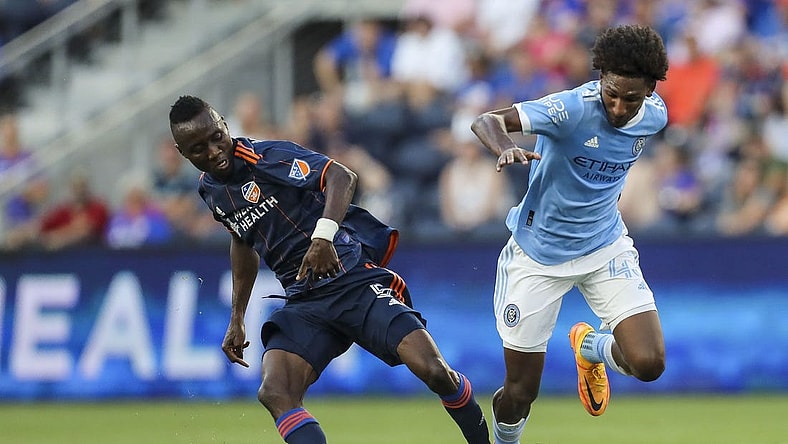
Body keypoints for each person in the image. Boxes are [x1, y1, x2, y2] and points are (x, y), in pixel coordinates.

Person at [167, 95, 490, 444]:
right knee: (275, 391)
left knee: (435, 371)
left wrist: (323, 237)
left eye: (217, 137)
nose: (214, 151)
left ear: (225, 126)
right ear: (183, 153)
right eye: (199, 148)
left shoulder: (267, 157)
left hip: (352, 279)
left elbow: (340, 175)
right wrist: (237, 316)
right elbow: (243, 243)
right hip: (304, 301)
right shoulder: (210, 190)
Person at [470, 24, 669, 444]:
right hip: (537, 258)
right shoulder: (570, 109)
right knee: (521, 393)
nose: (617, 107)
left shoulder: (655, 115)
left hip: (604, 247)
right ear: (600, 79)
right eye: (611, 93)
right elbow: (485, 120)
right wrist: (503, 145)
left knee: (649, 363)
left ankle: (591, 348)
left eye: (631, 99)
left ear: (650, 90)